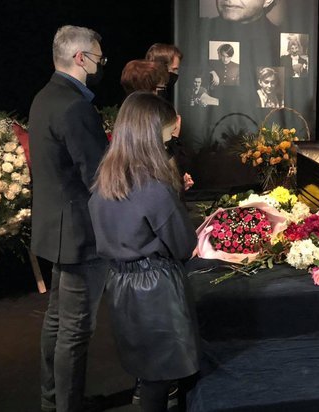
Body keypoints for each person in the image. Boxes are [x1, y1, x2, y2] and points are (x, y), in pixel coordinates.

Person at [88, 92, 201, 412]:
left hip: (120, 285)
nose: (169, 142)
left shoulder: (105, 181)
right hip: (156, 289)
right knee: (163, 376)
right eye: (166, 135)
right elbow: (184, 244)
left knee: (149, 373)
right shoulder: (153, 186)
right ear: (151, 134)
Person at [28, 25, 110, 412]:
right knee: (75, 329)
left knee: (58, 321)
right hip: (80, 232)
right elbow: (97, 175)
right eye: (99, 57)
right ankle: (68, 406)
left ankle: (55, 400)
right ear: (81, 58)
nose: (101, 64)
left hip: (57, 226)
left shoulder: (45, 96)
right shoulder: (74, 106)